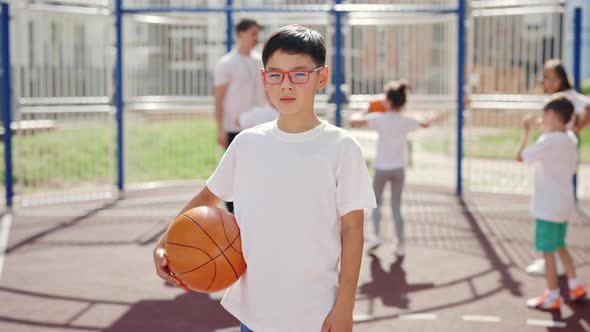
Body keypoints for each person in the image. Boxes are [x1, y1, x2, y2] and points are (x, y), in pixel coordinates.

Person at [154, 25, 376, 331]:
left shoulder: (341, 147)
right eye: (275, 74)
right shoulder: (247, 143)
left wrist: (345, 308)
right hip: (254, 316)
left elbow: (352, 231)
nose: (286, 85)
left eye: (299, 74)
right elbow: (206, 199)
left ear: (321, 78)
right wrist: (163, 244)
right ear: (264, 80)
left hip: (316, 313)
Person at [349, 80, 446, 256]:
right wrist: (444, 113)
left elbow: (353, 121)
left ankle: (377, 235)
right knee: (396, 207)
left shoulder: (378, 118)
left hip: (381, 168)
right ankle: (401, 243)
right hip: (398, 169)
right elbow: (426, 123)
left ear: (389, 101)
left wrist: (367, 109)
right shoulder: (406, 120)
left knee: (376, 204)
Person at [516, 96, 586, 310]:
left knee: (548, 253)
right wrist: (545, 132)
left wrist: (527, 131)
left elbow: (520, 156)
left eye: (544, 115)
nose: (541, 119)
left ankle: (553, 295)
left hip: (547, 206)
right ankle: (575, 284)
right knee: (560, 245)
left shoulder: (547, 141)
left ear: (553, 116)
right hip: (563, 204)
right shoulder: (571, 139)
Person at [526, 59, 590, 276]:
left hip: (558, 155)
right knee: (553, 203)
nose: (547, 82)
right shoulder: (555, 101)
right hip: (552, 154)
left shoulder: (569, 98)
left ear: (561, 78)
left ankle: (551, 264)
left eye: (552, 78)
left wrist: (576, 128)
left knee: (552, 205)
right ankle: (553, 260)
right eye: (545, 78)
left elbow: (587, 107)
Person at [213, 18, 267, 213]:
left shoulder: (260, 60)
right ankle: (233, 213)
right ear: (240, 34)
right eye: (253, 33)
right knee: (234, 171)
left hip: (257, 126)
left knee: (256, 170)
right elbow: (218, 99)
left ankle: (253, 209)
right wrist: (220, 129)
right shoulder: (226, 63)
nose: (256, 38)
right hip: (233, 127)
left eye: (258, 33)